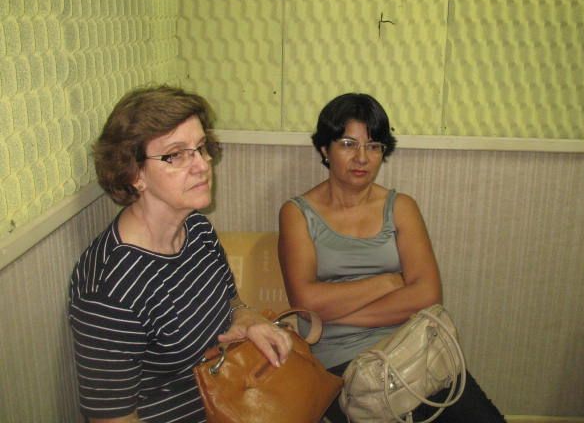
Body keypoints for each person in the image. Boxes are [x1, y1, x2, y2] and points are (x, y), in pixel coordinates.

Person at [68, 86, 292, 423]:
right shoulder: (110, 290)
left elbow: (232, 302)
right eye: (175, 155)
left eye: (200, 148)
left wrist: (247, 319)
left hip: (235, 401)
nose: (202, 165)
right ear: (134, 174)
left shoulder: (197, 229)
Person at [278, 93, 505, 422]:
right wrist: (388, 283)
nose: (362, 158)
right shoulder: (297, 213)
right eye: (348, 144)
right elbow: (305, 302)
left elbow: (427, 295)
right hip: (341, 366)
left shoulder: (401, 207)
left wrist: (332, 314)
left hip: (412, 349)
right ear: (325, 149)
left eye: (373, 146)